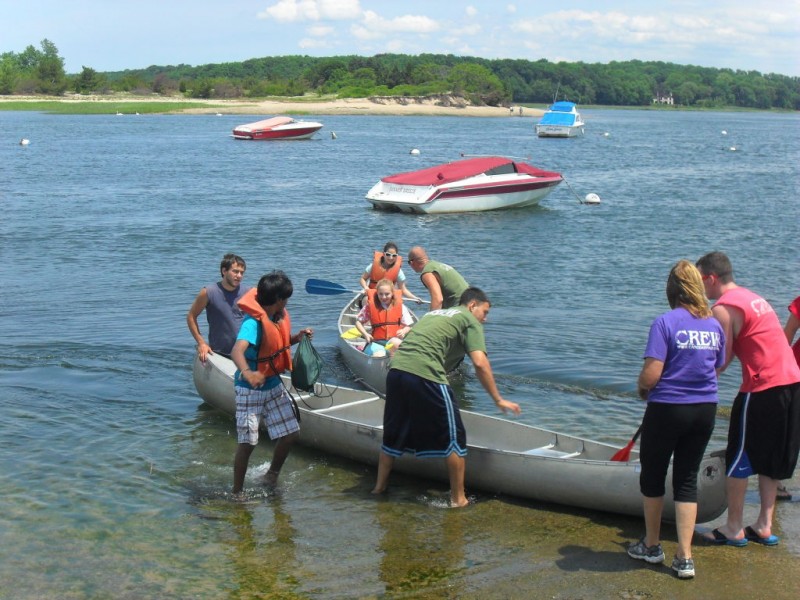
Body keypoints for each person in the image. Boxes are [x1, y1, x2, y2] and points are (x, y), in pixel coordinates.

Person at [371, 287, 521, 507]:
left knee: (394, 430)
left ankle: (378, 488)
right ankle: (458, 499)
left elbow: (414, 343)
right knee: (455, 436)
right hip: (424, 373)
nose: (485, 319)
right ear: (472, 306)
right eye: (485, 312)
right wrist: (498, 399)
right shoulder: (469, 320)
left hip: (396, 372)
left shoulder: (434, 313)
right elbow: (480, 363)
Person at [626, 260, 725, 580]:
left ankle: (652, 546)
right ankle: (685, 557)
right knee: (686, 478)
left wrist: (642, 386)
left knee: (653, 476)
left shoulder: (665, 323)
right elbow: (716, 365)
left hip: (668, 408)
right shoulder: (713, 325)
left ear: (672, 291)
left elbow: (652, 374)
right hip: (705, 409)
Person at [696, 252, 800, 547]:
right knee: (770, 458)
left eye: (700, 280)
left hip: (762, 387)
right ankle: (764, 525)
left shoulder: (723, 308)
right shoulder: (753, 297)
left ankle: (733, 527)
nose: (699, 287)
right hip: (792, 383)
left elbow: (721, 362)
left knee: (739, 456)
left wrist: (687, 387)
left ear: (711, 279)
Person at [229, 270, 313, 495]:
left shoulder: (277, 316)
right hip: (250, 389)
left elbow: (279, 344)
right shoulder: (253, 323)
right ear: (278, 300)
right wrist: (247, 372)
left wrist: (297, 338)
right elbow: (237, 350)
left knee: (290, 433)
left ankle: (271, 475)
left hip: (273, 384)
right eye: (285, 298)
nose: (286, 302)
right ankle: (237, 493)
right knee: (248, 444)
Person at [187, 253, 250, 361]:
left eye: (242, 273)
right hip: (220, 355)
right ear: (224, 271)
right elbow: (191, 317)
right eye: (235, 271)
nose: (239, 276)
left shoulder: (249, 293)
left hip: (246, 354)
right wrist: (201, 343)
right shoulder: (209, 292)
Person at [354, 278, 414, 353]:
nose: (383, 297)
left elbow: (408, 325)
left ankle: (393, 361)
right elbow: (358, 322)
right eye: (381, 294)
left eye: (387, 294)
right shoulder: (370, 306)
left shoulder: (401, 307)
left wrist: (403, 331)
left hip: (393, 340)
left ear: (392, 293)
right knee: (380, 354)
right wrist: (365, 334)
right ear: (377, 293)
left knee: (396, 343)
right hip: (377, 342)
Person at [406, 246, 469, 310]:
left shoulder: (427, 273)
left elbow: (438, 300)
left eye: (408, 263)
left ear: (412, 262)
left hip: (460, 307)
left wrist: (431, 318)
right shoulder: (437, 265)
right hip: (472, 302)